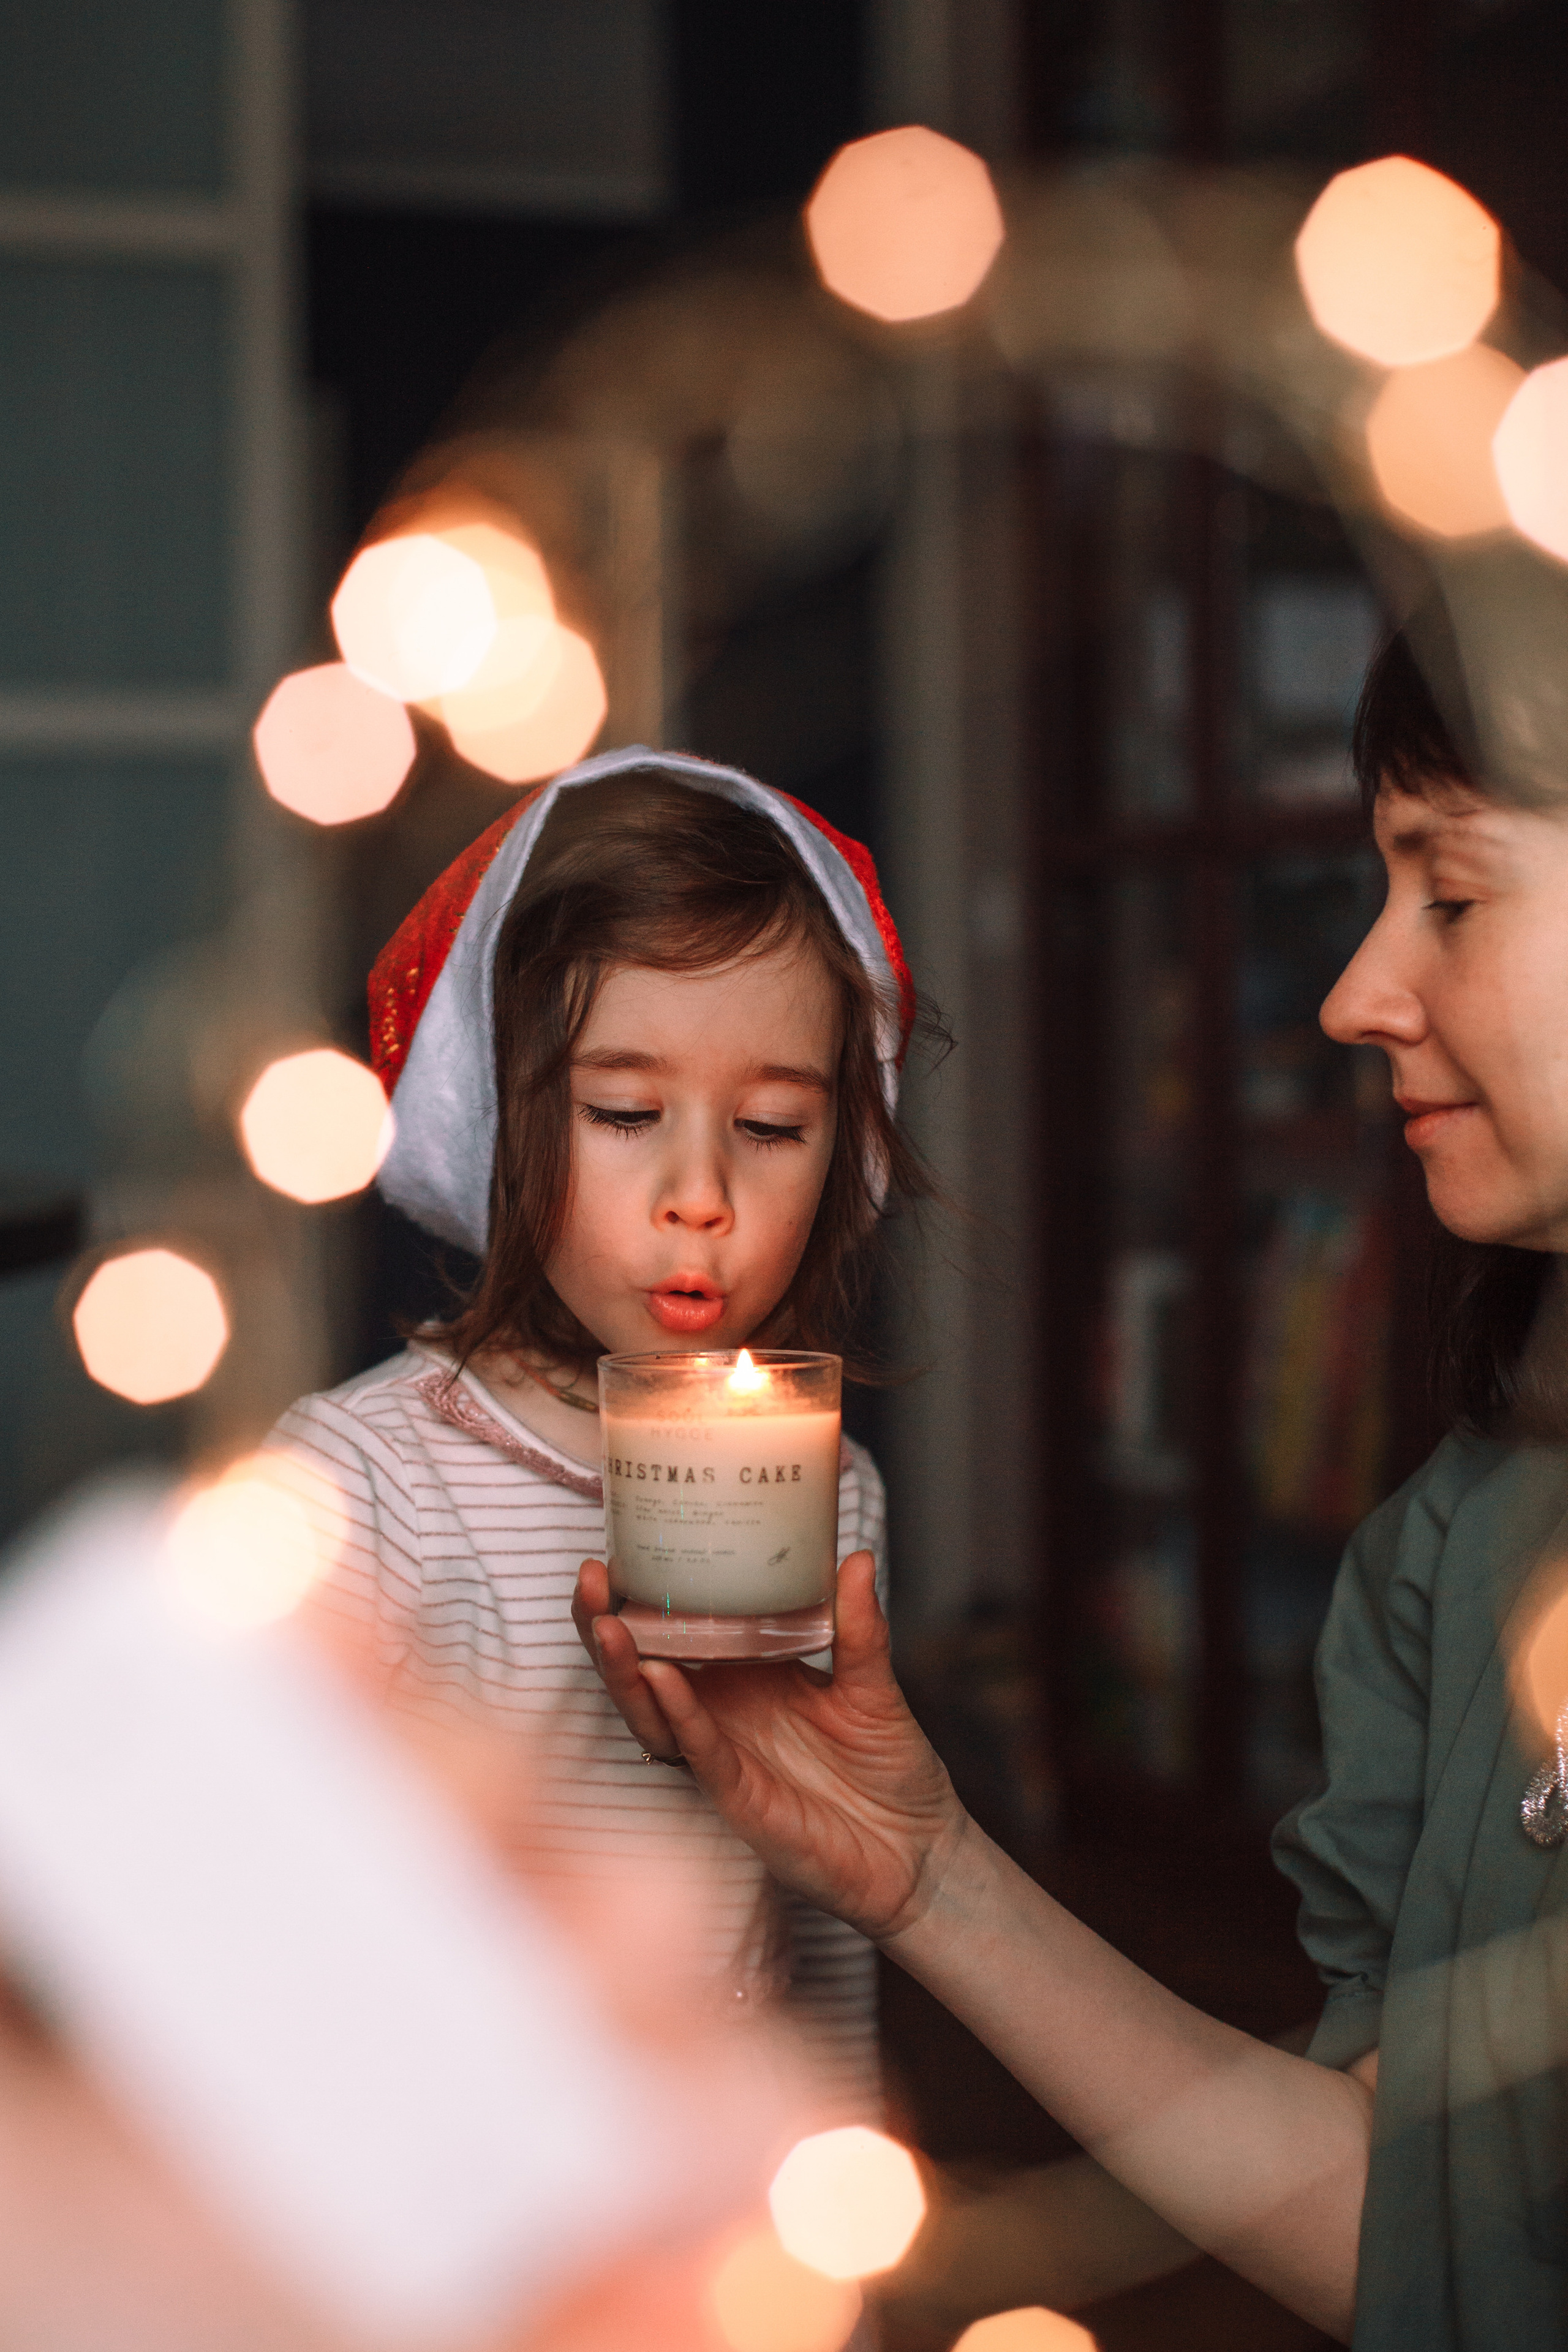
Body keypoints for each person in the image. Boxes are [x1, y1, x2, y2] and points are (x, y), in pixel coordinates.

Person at [576, 622, 1568, 2350]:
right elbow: (1409, 2230)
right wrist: (924, 1872)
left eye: (1454, 896)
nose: (1353, 993)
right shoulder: (1452, 1552)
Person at [274, 745, 930, 2120]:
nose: (699, 1192)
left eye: (769, 1124)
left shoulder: (824, 1487)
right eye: (625, 1113)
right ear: (497, 1122)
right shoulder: (366, 1487)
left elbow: (822, 1905)